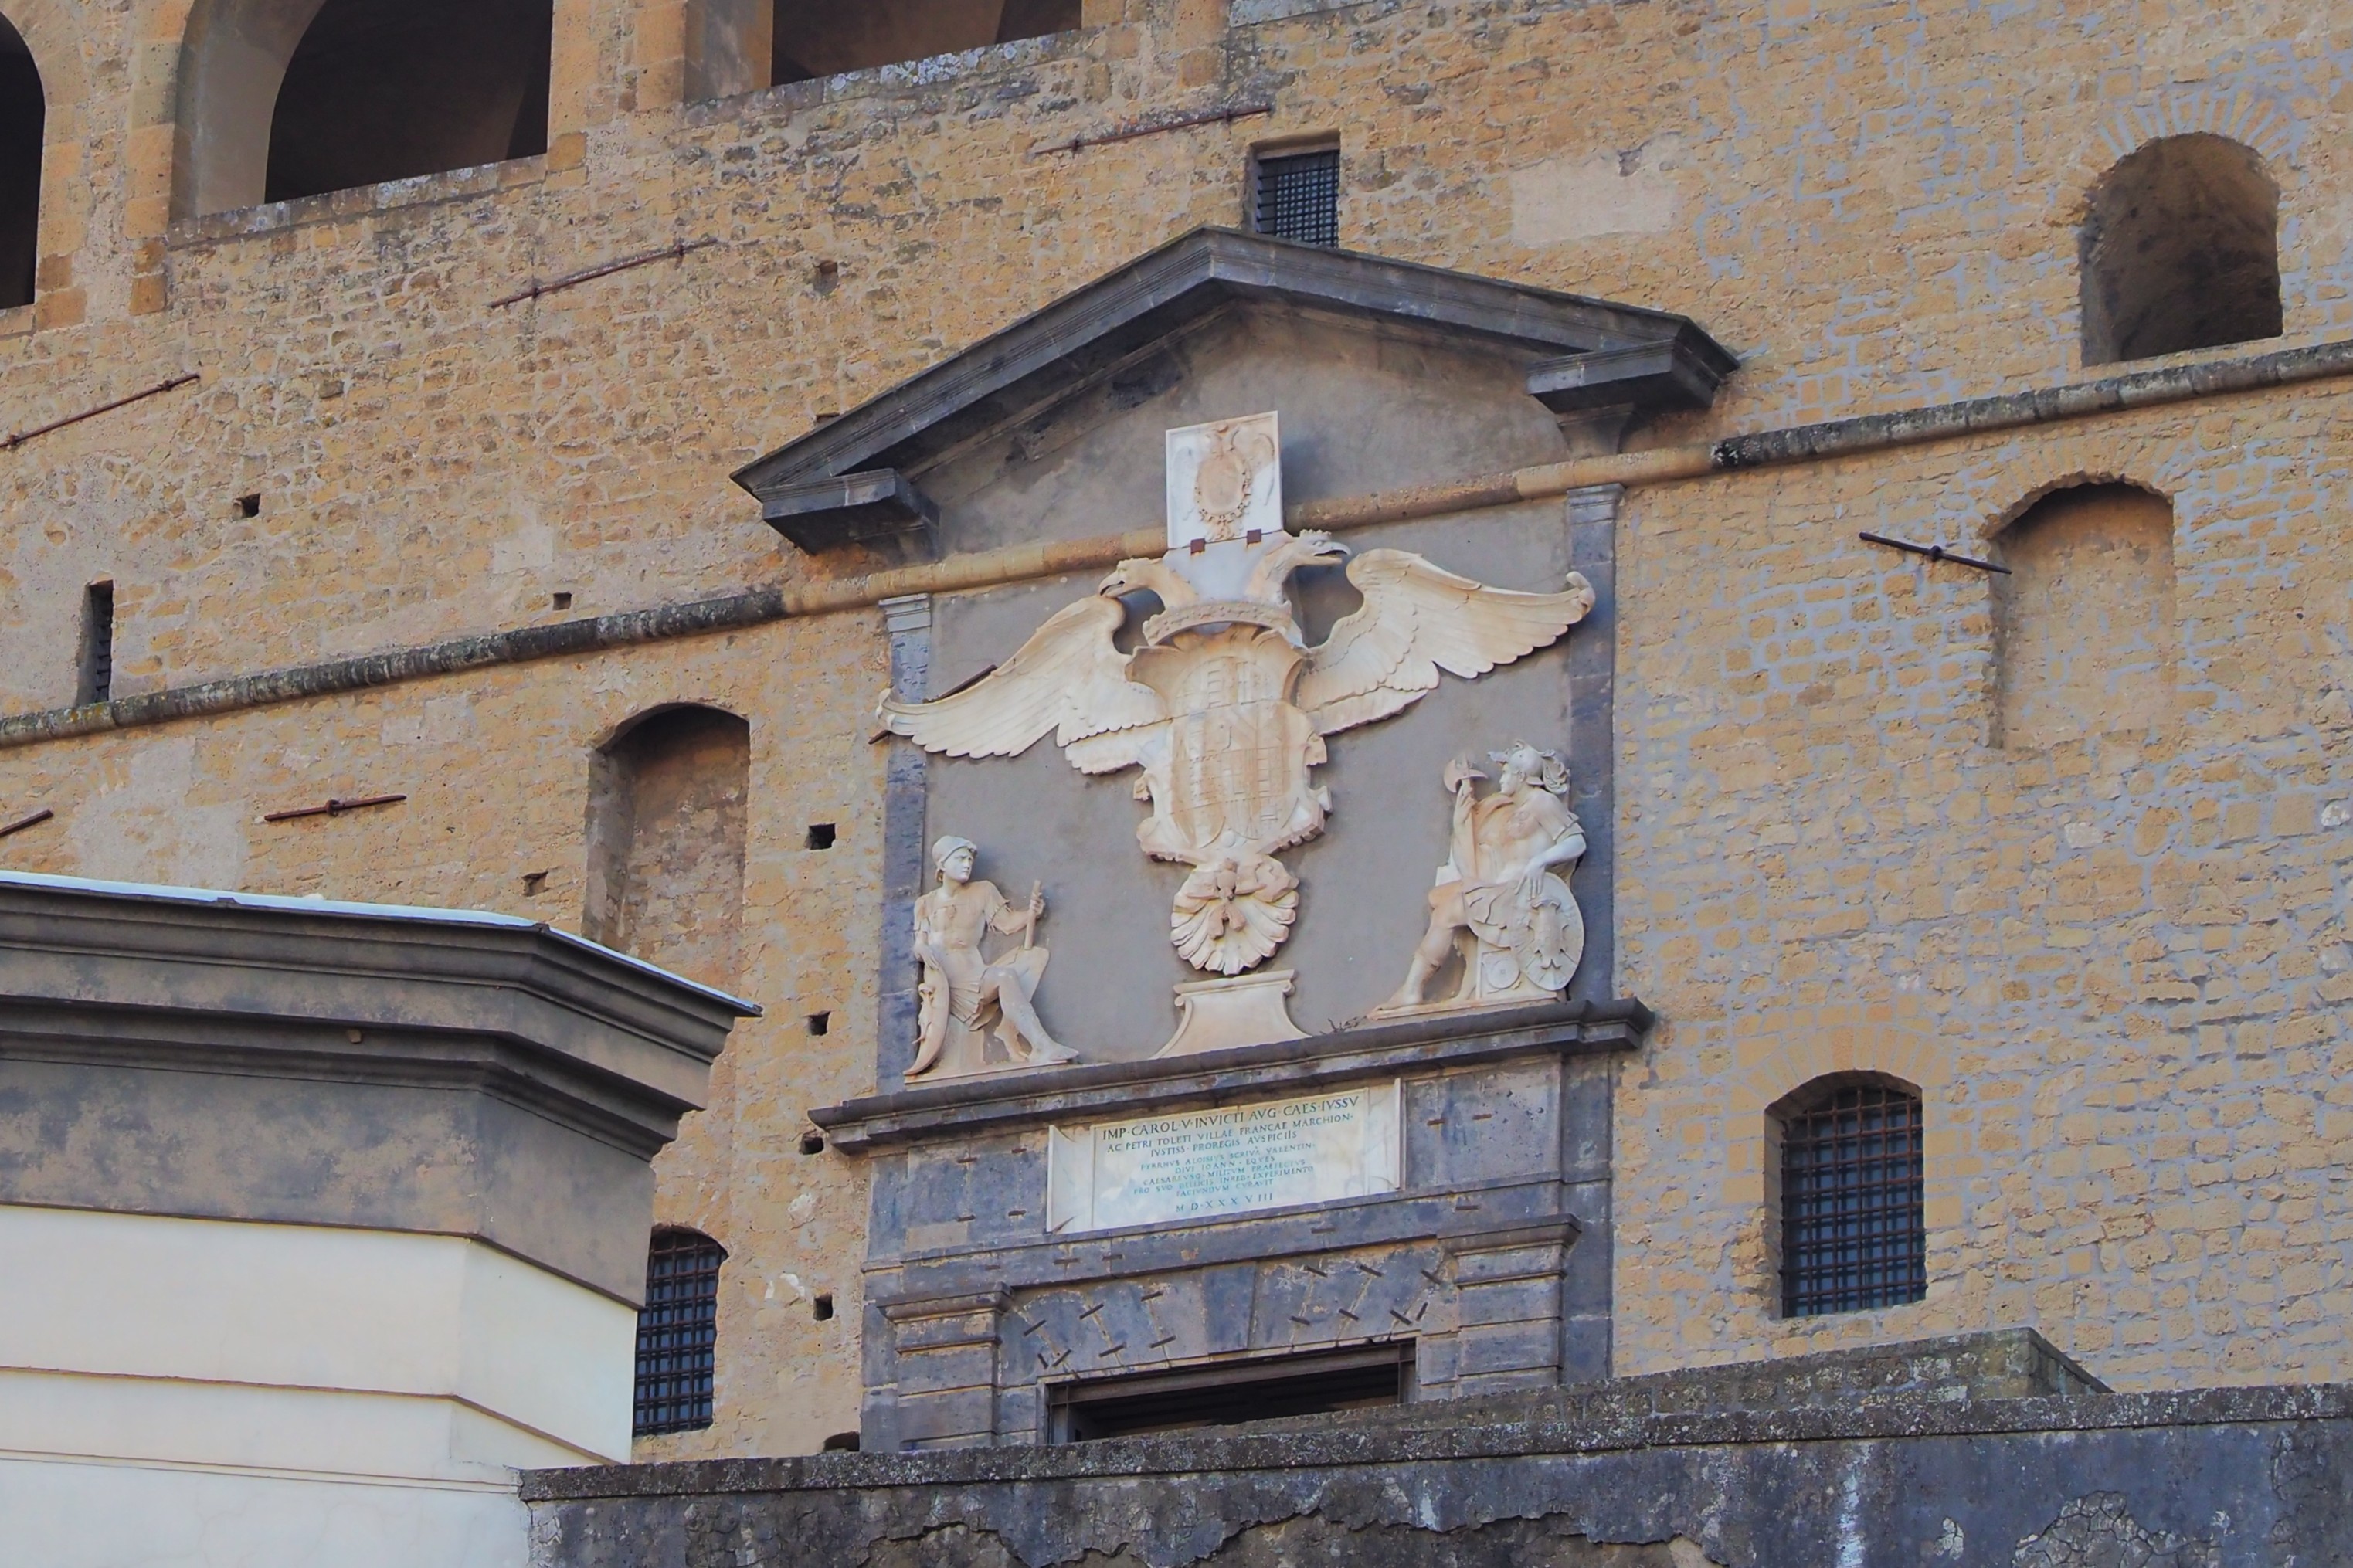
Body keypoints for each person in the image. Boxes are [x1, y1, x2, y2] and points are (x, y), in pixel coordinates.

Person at [1380, 743, 1587, 1012]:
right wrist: (1461, 823)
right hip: (1503, 890)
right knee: (1440, 899)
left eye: (1507, 772)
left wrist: (1541, 861)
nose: (1502, 778)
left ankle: (1412, 990)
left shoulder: (1542, 802)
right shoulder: (1515, 809)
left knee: (1446, 913)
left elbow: (1576, 841)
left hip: (1521, 896)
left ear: (1521, 776)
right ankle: (1461, 982)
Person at [909, 836, 1076, 1078]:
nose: (967, 864)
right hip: (945, 981)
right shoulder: (925, 903)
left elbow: (1006, 924)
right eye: (960, 859)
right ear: (942, 864)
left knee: (1010, 973)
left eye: (969, 860)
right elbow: (919, 943)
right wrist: (923, 950)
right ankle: (1038, 1044)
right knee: (1004, 976)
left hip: (974, 972)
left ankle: (1042, 1045)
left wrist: (1031, 914)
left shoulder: (983, 891)